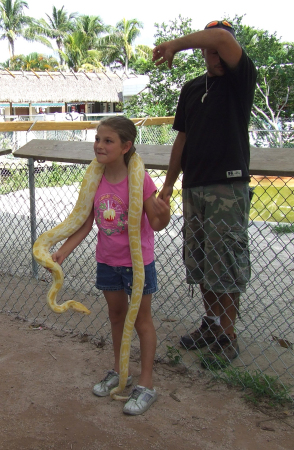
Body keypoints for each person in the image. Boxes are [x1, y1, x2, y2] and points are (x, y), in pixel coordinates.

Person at [153, 20, 257, 368]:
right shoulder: (193, 88)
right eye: (208, 49)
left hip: (227, 186)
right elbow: (181, 139)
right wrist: (168, 183)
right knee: (199, 261)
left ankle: (228, 335)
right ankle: (211, 326)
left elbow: (220, 37)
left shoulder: (239, 80)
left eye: (219, 47)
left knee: (225, 260)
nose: (214, 53)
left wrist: (173, 44)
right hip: (193, 187)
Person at [51, 116, 170, 414]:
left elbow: (156, 223)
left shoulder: (138, 178)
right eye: (97, 139)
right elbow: (85, 222)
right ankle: (120, 371)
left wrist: (165, 213)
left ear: (126, 146)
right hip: (107, 260)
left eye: (108, 141)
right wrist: (63, 251)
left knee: (141, 321)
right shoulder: (96, 177)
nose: (99, 145)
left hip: (138, 263)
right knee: (116, 317)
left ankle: (146, 383)